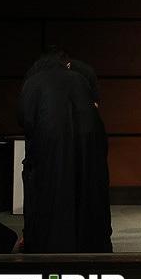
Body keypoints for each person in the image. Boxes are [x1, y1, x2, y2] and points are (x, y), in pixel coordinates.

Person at [19, 47, 112, 252]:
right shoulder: (80, 78)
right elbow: (94, 116)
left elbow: (26, 120)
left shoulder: (34, 82)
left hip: (49, 152)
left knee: (51, 198)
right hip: (85, 153)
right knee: (82, 196)